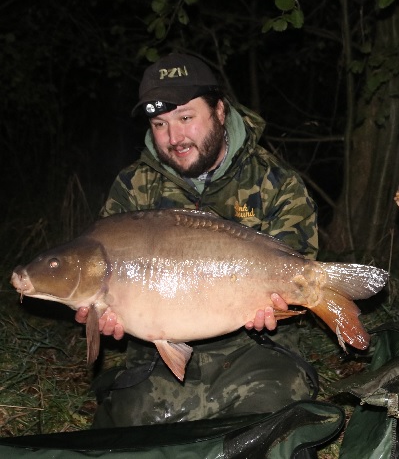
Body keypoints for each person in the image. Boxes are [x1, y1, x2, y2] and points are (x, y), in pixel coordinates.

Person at [75, 52, 319, 430]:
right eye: (160, 124)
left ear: (220, 111)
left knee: (271, 417)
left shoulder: (276, 182)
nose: (174, 138)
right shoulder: (133, 186)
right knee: (129, 424)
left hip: (257, 350)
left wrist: (278, 304)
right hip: (156, 357)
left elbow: (297, 266)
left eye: (186, 118)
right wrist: (107, 315)